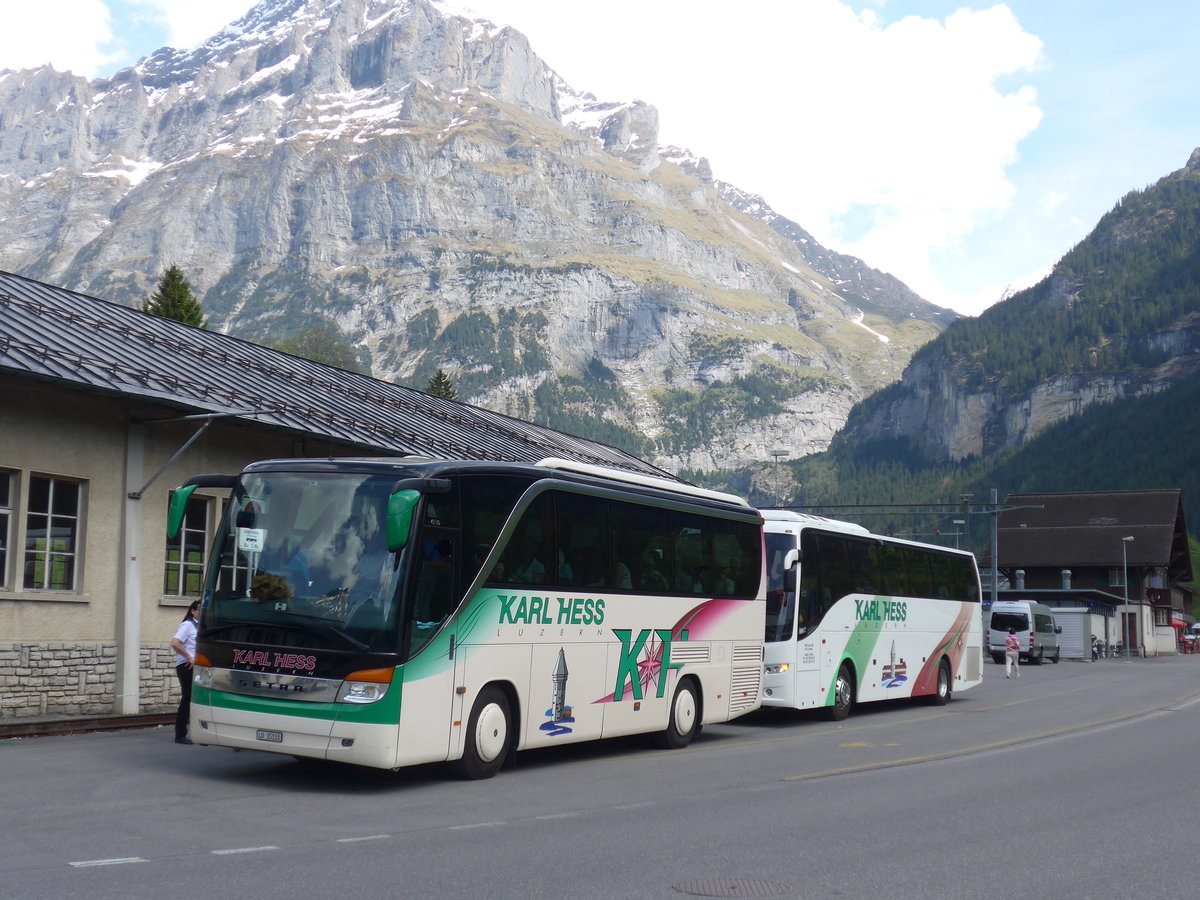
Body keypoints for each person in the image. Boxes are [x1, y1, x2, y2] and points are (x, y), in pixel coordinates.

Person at [171, 600, 200, 744]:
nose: (202, 613)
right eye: (200, 609)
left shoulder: (200, 627)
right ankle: (180, 734)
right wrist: (189, 656)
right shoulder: (188, 625)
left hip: (198, 666)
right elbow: (175, 643)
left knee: (195, 699)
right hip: (186, 666)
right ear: (193, 611)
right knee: (187, 698)